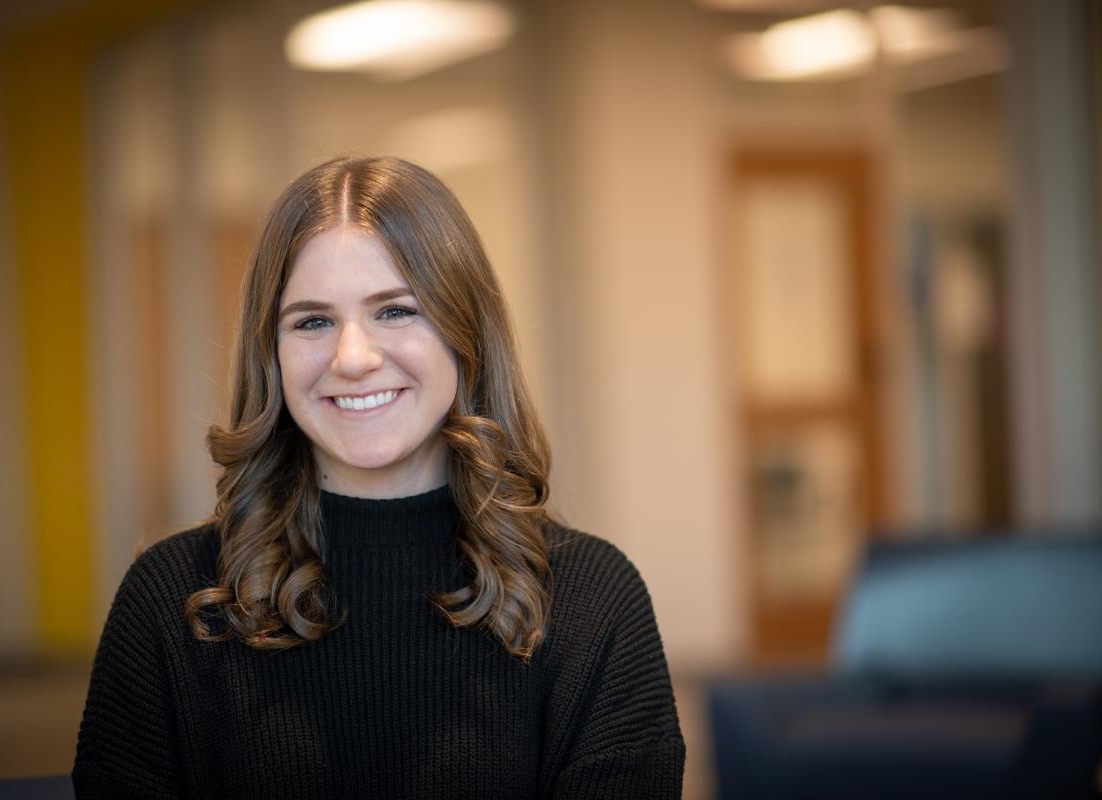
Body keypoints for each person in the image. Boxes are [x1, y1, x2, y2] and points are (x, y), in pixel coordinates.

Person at [72, 156, 685, 798]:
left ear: (464, 329)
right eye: (312, 321)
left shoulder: (592, 598)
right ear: (271, 355)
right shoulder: (175, 601)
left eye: (395, 311)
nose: (354, 358)